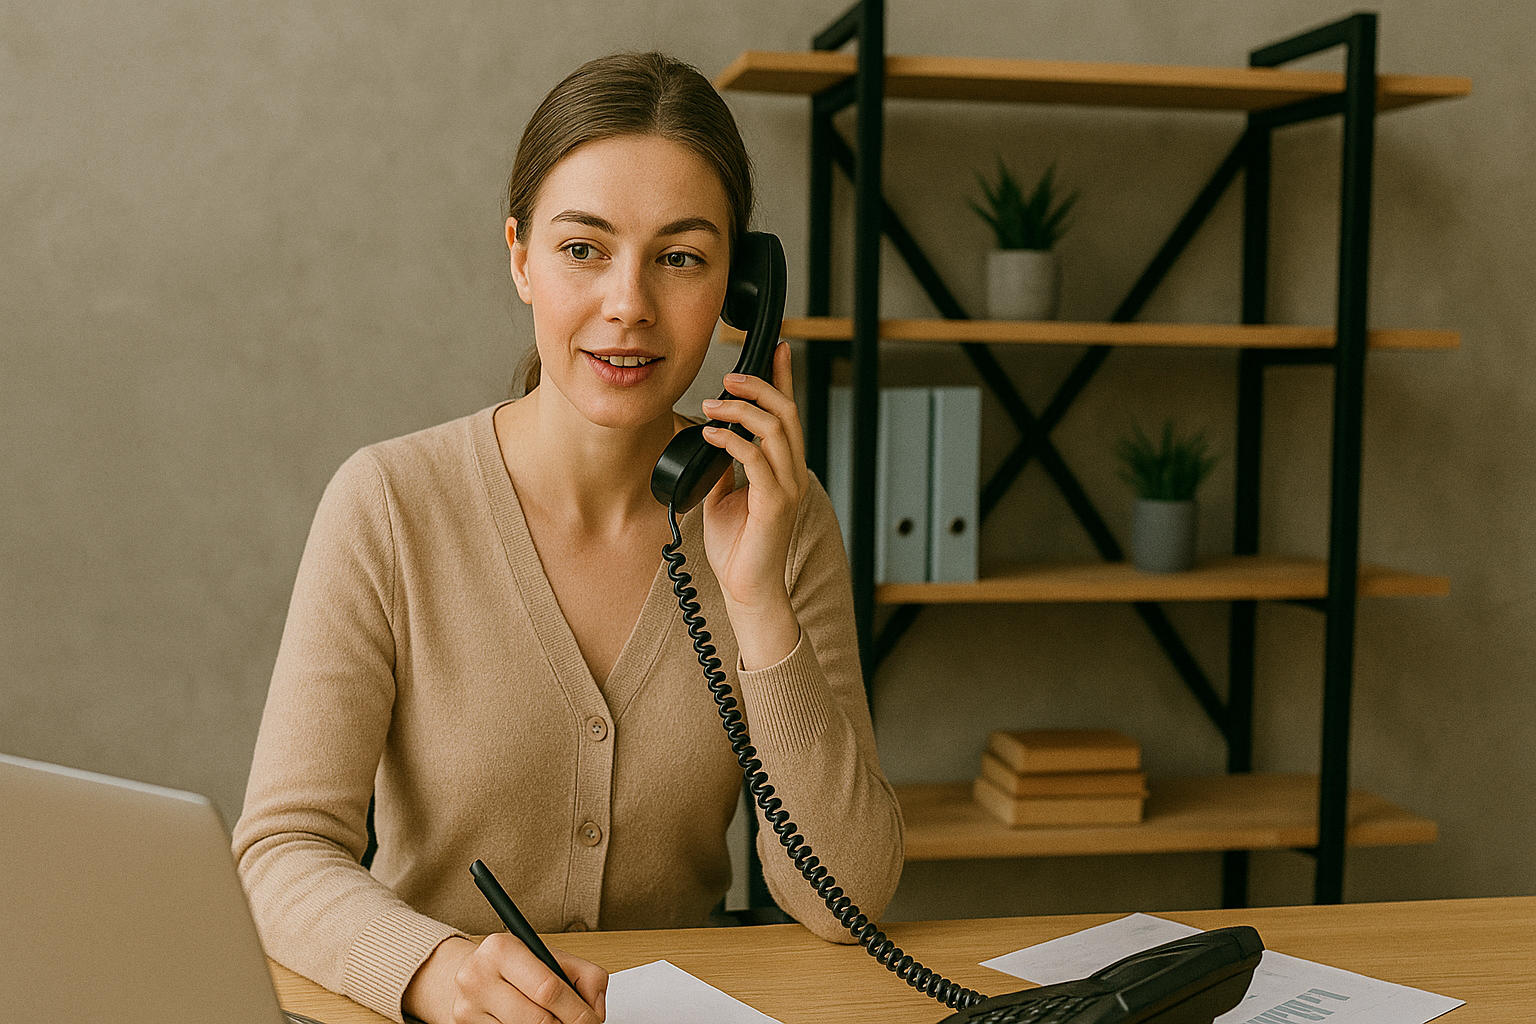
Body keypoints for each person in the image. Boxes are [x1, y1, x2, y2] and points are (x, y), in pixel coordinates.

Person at [232, 51, 903, 1024]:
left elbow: (849, 900)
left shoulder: (779, 513)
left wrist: (757, 601)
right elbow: (279, 852)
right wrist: (438, 972)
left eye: (681, 257)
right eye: (584, 248)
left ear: (738, 293)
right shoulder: (388, 503)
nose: (629, 302)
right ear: (520, 257)